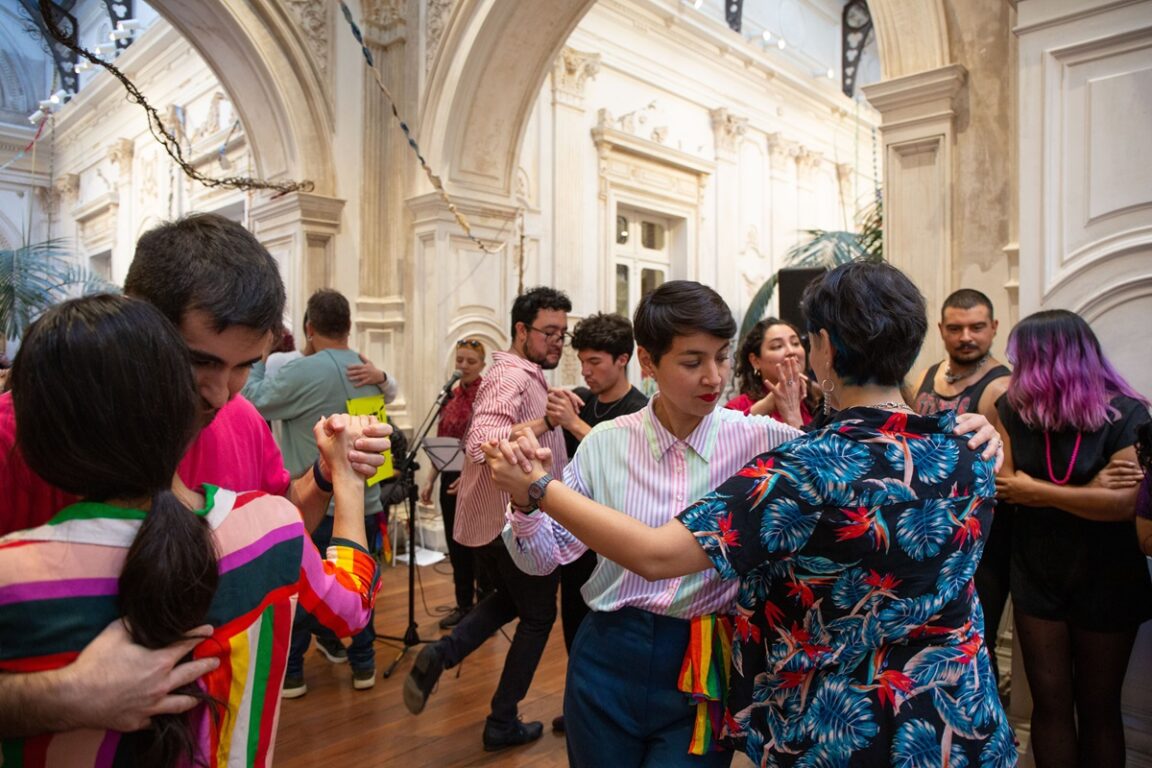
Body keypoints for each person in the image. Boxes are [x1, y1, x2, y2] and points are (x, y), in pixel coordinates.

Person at [485, 265, 1014, 768]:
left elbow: (656, 553)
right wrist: (530, 505)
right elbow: (543, 555)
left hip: (799, 698)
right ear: (648, 361)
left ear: (824, 347)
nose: (712, 376)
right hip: (949, 711)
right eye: (693, 361)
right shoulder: (966, 451)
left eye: (722, 356)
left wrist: (538, 487)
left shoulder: (785, 459)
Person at [0, 213, 391, 737]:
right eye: (197, 362)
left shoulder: (242, 419)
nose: (221, 393)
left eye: (245, 366)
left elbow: (268, 531)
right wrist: (60, 697)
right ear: (137, 324)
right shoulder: (17, 435)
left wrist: (324, 476)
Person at [403, 286, 573, 752]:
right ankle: (501, 720)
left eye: (563, 333)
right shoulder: (510, 375)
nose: (558, 342)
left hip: (502, 523)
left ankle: (442, 653)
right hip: (516, 523)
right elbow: (484, 438)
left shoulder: (526, 374)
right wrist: (548, 423)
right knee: (539, 616)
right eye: (549, 332)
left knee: (510, 600)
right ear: (522, 330)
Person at [993, 309, 1151, 768]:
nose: (1014, 367)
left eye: (1021, 357)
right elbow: (1006, 488)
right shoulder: (1009, 410)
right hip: (1036, 572)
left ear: (1048, 359)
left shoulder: (1126, 414)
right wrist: (1089, 491)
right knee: (1051, 703)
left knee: (1099, 708)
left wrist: (1035, 490)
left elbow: (1124, 505)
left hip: (1108, 574)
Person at [242, 289, 389, 695]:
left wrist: (256, 359)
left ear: (309, 327)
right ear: (348, 326)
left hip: (315, 498)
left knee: (301, 591)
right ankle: (363, 666)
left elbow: (251, 403)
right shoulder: (365, 367)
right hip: (364, 496)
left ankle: (292, 673)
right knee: (360, 582)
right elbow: (385, 403)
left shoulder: (302, 370)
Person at [543, 312, 648, 732]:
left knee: (609, 629)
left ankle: (616, 712)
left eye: (595, 362)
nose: (586, 372)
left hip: (614, 535)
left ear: (623, 359)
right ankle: (582, 706)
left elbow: (625, 461)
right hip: (575, 534)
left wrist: (573, 424)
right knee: (574, 626)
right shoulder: (583, 400)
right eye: (583, 362)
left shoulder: (639, 409)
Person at [905, 289, 1013, 680]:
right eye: (956, 328)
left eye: (977, 327)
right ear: (941, 330)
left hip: (979, 539)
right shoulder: (926, 376)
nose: (966, 336)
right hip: (925, 532)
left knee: (971, 643)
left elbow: (1005, 474)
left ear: (994, 328)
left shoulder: (1002, 387)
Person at [418, 337, 489, 629]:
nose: (464, 366)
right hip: (449, 475)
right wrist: (430, 479)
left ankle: (486, 609)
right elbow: (442, 439)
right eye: (460, 360)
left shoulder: (487, 395)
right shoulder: (450, 395)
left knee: (479, 547)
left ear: (483, 365)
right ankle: (463, 605)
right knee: (456, 544)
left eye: (471, 361)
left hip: (478, 478)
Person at [725, 317, 818, 426]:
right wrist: (767, 404)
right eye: (777, 346)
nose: (791, 351)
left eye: (795, 343)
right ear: (755, 361)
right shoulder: (736, 409)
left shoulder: (818, 401)